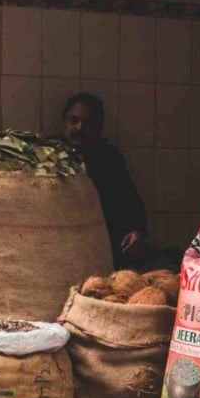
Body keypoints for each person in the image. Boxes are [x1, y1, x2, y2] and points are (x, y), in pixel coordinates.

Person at [61, 92, 148, 269]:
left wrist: (137, 232)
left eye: (88, 123)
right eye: (74, 120)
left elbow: (131, 202)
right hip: (64, 245)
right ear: (64, 122)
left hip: (104, 247)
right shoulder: (51, 156)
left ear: (99, 128)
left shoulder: (108, 159)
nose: (79, 127)